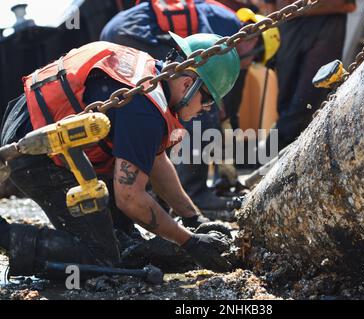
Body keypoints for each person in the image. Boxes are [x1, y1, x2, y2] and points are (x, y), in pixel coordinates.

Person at [0, 32, 240, 277]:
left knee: (129, 246)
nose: (207, 109)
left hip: (33, 122)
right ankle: (6, 237)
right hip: (34, 150)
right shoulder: (145, 110)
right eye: (208, 100)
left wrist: (193, 219)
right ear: (188, 85)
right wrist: (191, 242)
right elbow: (129, 198)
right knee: (101, 259)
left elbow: (156, 159)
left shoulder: (151, 76)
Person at [100, 0, 279, 211]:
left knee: (164, 107)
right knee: (198, 105)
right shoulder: (228, 27)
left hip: (119, 30)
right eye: (256, 59)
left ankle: (158, 189)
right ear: (253, 40)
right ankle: (196, 192)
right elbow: (207, 83)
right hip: (135, 33)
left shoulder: (222, 17)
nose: (250, 65)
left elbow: (223, 105)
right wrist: (215, 114)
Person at [262, 0, 356, 150]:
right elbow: (274, 6)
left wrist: (299, 9)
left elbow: (347, 4)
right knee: (286, 96)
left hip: (327, 26)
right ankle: (279, 147)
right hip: (288, 27)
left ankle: (278, 146)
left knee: (308, 95)